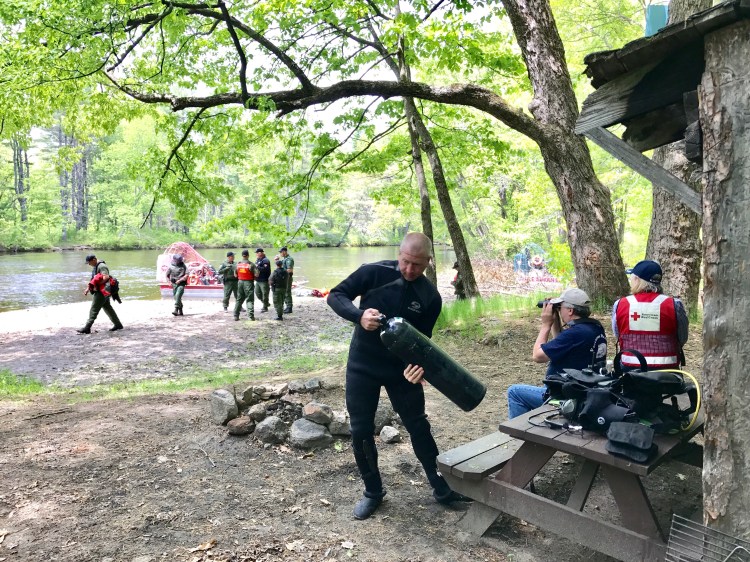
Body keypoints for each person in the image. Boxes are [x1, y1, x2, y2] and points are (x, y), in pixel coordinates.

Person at [327, 232, 470, 521]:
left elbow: (422, 343)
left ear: (428, 262)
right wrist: (359, 316)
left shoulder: (430, 297)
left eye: (417, 265)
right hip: (362, 365)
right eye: (405, 262)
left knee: (418, 426)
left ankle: (442, 488)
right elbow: (335, 295)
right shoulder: (373, 272)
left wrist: (420, 368)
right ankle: (373, 492)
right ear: (399, 254)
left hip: (400, 371)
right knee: (360, 430)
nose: (409, 270)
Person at [507, 288, 607, 418]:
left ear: (570, 310)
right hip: (583, 389)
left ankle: (518, 434)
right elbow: (561, 341)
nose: (559, 310)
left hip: (566, 396)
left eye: (560, 308)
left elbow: (537, 356)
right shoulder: (594, 327)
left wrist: (545, 325)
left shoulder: (575, 334)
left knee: (514, 392)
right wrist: (555, 321)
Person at [612, 260, 688, 370]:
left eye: (632, 278)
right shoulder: (674, 304)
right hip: (667, 370)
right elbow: (682, 337)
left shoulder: (620, 304)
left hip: (630, 368)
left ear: (637, 280)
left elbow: (618, 334)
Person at [77, 254, 124, 334]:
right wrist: (88, 289)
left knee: (94, 309)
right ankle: (118, 324)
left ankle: (87, 327)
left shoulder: (101, 266)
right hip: (103, 291)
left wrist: (97, 285)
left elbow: (106, 277)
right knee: (108, 308)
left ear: (94, 259)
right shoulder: (96, 266)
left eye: (89, 262)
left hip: (102, 291)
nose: (89, 264)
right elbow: (94, 279)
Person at [234, 250, 256, 321]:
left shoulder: (238, 264)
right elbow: (257, 274)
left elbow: (235, 275)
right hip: (248, 283)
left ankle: (236, 315)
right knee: (249, 299)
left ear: (242, 256)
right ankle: (250, 317)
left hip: (240, 282)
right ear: (248, 255)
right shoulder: (251, 264)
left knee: (239, 299)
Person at [254, 248, 272, 313]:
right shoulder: (258, 260)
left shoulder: (265, 260)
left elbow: (265, 269)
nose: (256, 254)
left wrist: (257, 267)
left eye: (257, 253)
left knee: (265, 294)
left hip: (264, 280)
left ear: (261, 253)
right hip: (258, 280)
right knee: (257, 293)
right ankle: (266, 303)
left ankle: (265, 307)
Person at [279, 246, 294, 313]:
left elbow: (289, 270)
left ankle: (289, 307)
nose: (280, 253)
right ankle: (287, 306)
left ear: (284, 252)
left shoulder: (289, 259)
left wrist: (282, 273)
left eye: (281, 252)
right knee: (284, 292)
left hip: (287, 278)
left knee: (287, 292)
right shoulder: (284, 259)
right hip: (284, 278)